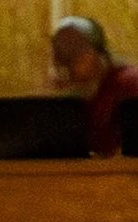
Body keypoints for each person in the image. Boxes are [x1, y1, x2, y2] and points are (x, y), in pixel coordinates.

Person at [52, 16, 138, 158]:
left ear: (95, 50)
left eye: (74, 54)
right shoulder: (76, 93)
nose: (66, 65)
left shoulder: (130, 83)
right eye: (60, 56)